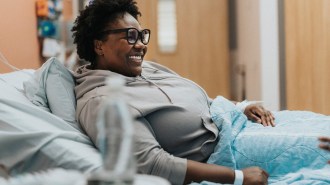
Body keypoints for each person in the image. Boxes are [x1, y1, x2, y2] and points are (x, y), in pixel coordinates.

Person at [71, 0, 329, 185]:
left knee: (322, 124)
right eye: (129, 36)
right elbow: (151, 164)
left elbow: (196, 100)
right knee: (323, 146)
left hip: (239, 124)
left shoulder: (144, 69)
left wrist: (240, 106)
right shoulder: (103, 101)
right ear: (99, 45)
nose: (140, 44)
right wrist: (238, 178)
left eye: (141, 35)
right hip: (226, 150)